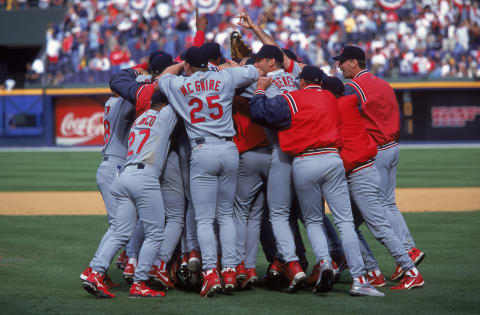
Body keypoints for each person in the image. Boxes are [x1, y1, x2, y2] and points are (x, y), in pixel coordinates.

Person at [249, 65, 384, 297]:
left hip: (304, 162)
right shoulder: (332, 98)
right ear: (321, 83)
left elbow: (260, 113)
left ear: (301, 82)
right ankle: (360, 279)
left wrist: (260, 90)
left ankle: (324, 263)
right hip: (332, 159)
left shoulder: (292, 97)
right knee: (345, 223)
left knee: (312, 221)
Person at [155, 46, 262, 297]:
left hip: (202, 150)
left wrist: (182, 65)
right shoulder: (224, 76)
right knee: (225, 215)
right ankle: (229, 271)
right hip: (229, 149)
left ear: (189, 66)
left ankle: (210, 273)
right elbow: (254, 71)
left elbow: (162, 78)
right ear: (209, 63)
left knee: (204, 219)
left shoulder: (180, 83)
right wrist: (223, 67)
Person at [83, 53, 178, 298]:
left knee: (120, 231)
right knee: (155, 232)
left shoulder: (138, 118)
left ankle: (95, 271)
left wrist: (145, 74)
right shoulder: (164, 116)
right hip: (142, 177)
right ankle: (139, 283)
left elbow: (127, 85)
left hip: (123, 176)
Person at [323, 75, 425, 290]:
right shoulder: (349, 104)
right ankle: (374, 272)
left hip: (361, 175)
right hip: (366, 169)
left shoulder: (336, 110)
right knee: (350, 225)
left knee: (380, 228)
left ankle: (412, 271)